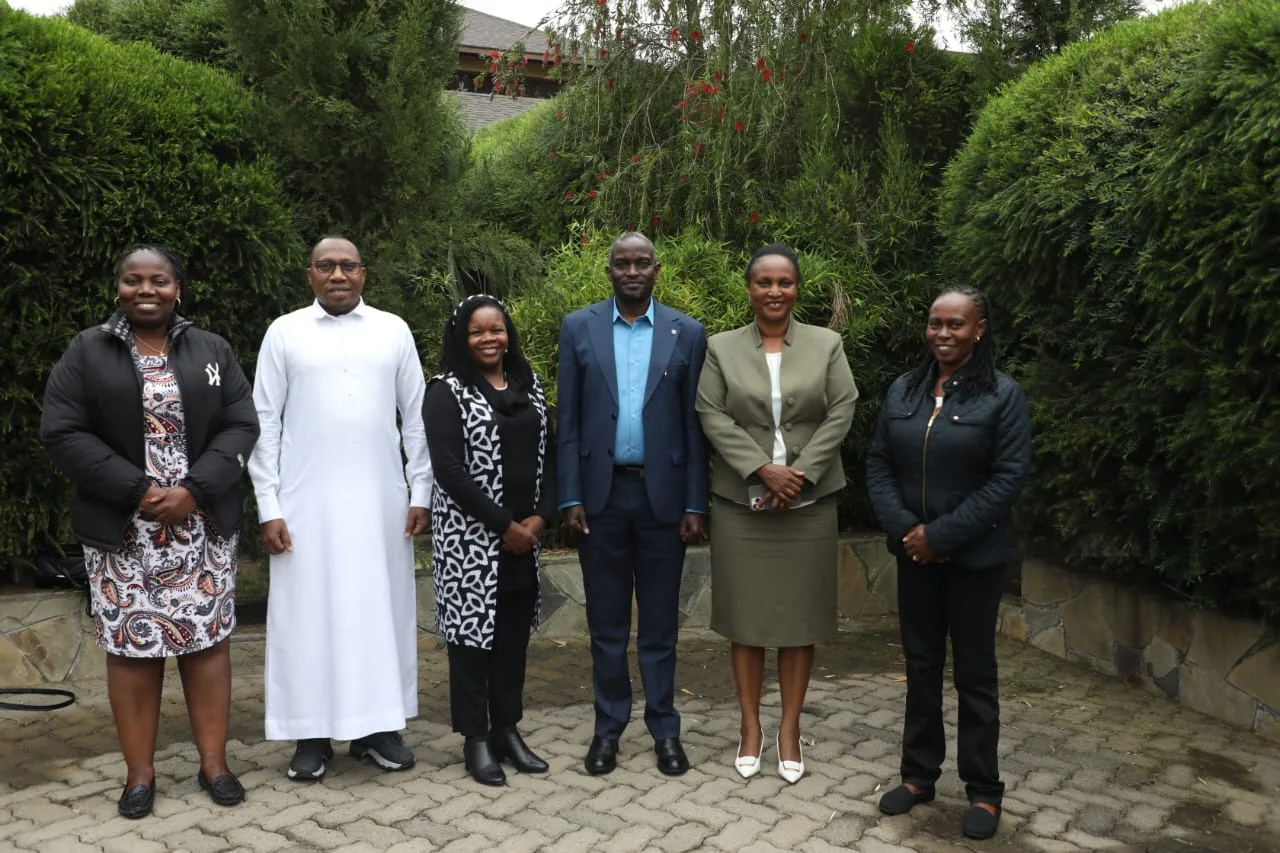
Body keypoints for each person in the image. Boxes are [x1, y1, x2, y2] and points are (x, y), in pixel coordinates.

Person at [40, 245, 258, 818]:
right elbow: (62, 431)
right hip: (123, 532)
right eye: (132, 280)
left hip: (201, 527)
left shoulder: (212, 349)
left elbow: (241, 423)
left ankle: (215, 765)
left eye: (158, 280)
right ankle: (139, 775)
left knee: (206, 644)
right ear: (118, 288)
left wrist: (194, 490)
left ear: (177, 289)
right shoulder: (87, 350)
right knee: (132, 651)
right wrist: (139, 490)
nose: (145, 290)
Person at [248, 236, 432, 781]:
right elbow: (264, 422)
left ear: (363, 274)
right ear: (310, 274)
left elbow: (417, 417)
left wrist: (420, 491)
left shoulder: (393, 330)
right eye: (326, 266)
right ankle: (311, 734)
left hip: (381, 501)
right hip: (305, 504)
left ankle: (378, 729)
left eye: (347, 266)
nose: (337, 275)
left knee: (379, 612)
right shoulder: (284, 332)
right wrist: (268, 505)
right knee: (307, 616)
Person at [865, 285, 1031, 840]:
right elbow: (879, 464)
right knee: (921, 666)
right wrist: (908, 532)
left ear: (978, 330)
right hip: (915, 557)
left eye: (955, 324)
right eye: (935, 322)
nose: (942, 333)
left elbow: (1007, 480)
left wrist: (941, 536)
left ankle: (983, 790)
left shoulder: (1003, 396)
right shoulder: (905, 389)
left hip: (973, 561)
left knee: (975, 675)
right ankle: (918, 776)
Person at [695, 244, 858, 784]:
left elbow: (842, 408)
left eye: (784, 282)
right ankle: (750, 727)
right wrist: (763, 470)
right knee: (746, 621)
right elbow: (710, 413)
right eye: (763, 282)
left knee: (798, 622)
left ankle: (789, 729)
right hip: (741, 506)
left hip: (809, 505)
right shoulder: (721, 347)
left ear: (796, 289)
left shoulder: (826, 344)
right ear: (749, 289)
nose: (774, 291)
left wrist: (800, 474)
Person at [556, 231, 709, 776]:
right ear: (608, 272)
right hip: (601, 498)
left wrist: (696, 503)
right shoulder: (579, 327)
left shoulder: (687, 332)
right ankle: (608, 730)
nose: (632, 271)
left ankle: (665, 730)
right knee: (607, 626)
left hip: (663, 498)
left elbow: (696, 426)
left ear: (656, 270)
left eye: (642, 262)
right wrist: (570, 494)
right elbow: (568, 420)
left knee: (661, 625)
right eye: (622, 263)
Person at [424, 294, 555, 787]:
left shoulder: (528, 384)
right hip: (470, 544)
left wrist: (540, 519)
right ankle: (475, 740)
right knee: (470, 645)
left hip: (523, 540)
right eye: (476, 331)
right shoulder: (445, 391)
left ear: (508, 333)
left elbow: (549, 453)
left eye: (496, 329)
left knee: (512, 641)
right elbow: (449, 472)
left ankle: (507, 730)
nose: (488, 339)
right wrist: (505, 525)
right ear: (461, 337)